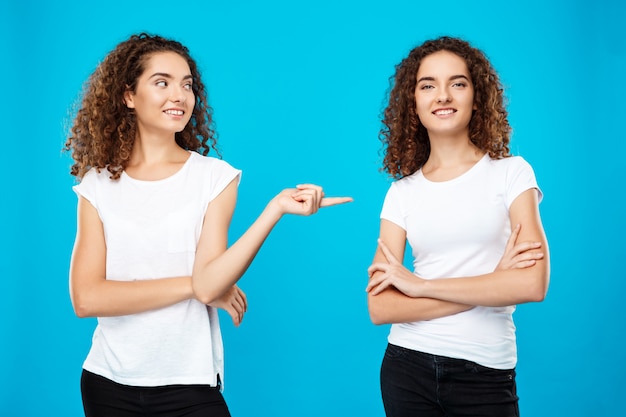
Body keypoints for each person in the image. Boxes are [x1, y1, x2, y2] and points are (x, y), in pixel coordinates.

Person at [64, 33, 352, 417]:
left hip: (188, 382)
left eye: (187, 85)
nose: (179, 96)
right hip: (106, 382)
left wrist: (274, 210)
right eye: (162, 82)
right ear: (128, 96)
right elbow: (87, 298)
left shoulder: (215, 178)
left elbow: (211, 283)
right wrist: (195, 286)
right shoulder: (97, 185)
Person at [366, 36, 550, 417]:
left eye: (458, 83)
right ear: (413, 103)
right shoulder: (401, 194)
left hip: (485, 372)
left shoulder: (512, 174)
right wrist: (493, 283)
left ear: (476, 96)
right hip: (407, 367)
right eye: (428, 85)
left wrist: (420, 287)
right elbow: (380, 306)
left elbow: (532, 284)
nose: (443, 95)